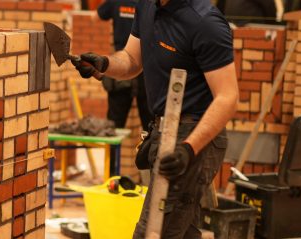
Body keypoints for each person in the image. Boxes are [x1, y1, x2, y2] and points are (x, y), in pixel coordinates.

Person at [72, 0, 237, 237]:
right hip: (164, 127)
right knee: (183, 230)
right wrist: (105, 64)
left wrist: (188, 149)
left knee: (153, 232)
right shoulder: (147, 6)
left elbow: (228, 97)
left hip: (194, 134)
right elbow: (132, 60)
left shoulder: (205, 22)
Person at [96, 0, 154, 132]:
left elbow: (96, 16)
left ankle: (111, 152)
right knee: (149, 124)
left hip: (130, 65)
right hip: (129, 65)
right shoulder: (148, 5)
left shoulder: (118, 2)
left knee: (115, 125)